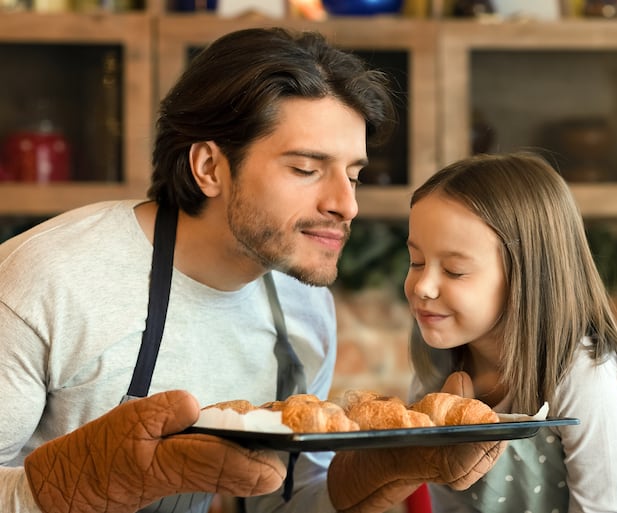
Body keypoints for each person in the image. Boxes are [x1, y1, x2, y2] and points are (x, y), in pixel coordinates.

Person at [0, 27, 501, 513]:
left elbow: (280, 499)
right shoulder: (48, 281)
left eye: (354, 175)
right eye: (306, 170)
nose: (346, 204)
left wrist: (377, 476)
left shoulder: (304, 306)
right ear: (210, 168)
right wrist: (72, 486)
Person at [403, 151, 617, 513]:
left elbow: (600, 508)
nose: (423, 286)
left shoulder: (581, 372)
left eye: (454, 270)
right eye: (416, 261)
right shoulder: (437, 371)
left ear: (528, 278)